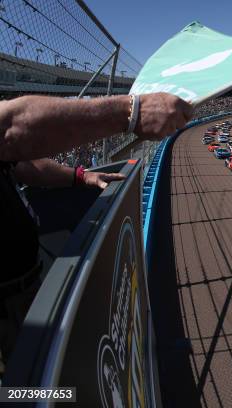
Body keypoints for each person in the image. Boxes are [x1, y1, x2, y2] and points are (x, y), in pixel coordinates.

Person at [0, 92, 192, 368]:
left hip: (25, 284)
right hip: (6, 305)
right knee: (26, 390)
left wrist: (80, 175)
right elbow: (8, 130)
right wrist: (132, 112)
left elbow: (21, 163)